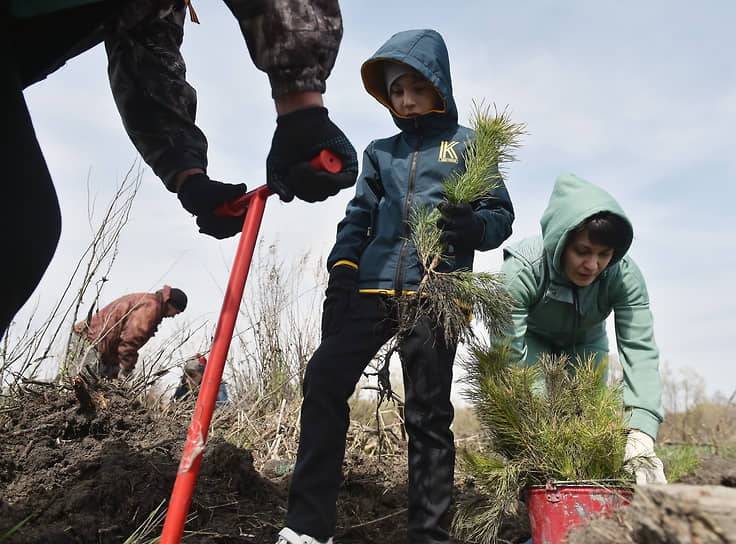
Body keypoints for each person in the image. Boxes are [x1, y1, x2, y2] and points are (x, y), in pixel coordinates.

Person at [276, 29, 515, 544]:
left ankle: (429, 534)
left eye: (415, 87)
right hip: (372, 288)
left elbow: (499, 214)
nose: (405, 100)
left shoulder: (470, 147)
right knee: (323, 379)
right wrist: (343, 268)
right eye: (396, 91)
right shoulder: (380, 152)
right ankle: (307, 527)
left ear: (438, 86)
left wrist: (475, 228)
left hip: (436, 292)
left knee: (428, 413)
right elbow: (358, 216)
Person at [2, 0, 359, 337]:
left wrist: (188, 177)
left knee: (21, 230)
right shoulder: (149, 309)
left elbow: (146, 51)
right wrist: (301, 104)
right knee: (20, 229)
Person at [499, 172, 667, 485]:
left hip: (587, 343)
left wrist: (642, 430)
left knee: (586, 423)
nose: (593, 266)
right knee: (541, 424)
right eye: (583, 251)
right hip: (532, 343)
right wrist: (517, 422)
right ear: (560, 241)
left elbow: (640, 349)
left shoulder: (623, 276)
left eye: (604, 255)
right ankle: (534, 492)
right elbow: (507, 354)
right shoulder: (522, 270)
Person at [71, 285, 187, 378]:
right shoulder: (151, 307)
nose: (173, 316)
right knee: (80, 384)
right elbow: (131, 338)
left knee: (75, 382)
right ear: (170, 304)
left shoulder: (148, 301)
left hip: (94, 343)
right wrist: (126, 367)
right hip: (90, 342)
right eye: (176, 312)